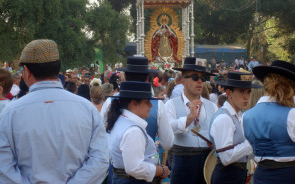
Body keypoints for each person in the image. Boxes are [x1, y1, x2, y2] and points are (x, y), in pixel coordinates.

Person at [0, 39, 109, 183]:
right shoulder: (87, 109)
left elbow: (4, 166)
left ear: (26, 72)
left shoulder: (10, 113)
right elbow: (100, 159)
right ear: (57, 69)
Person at [243, 60, 295, 184]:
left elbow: (252, 151)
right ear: (288, 87)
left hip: (262, 176)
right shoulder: (293, 115)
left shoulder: (246, 116)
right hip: (291, 177)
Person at [165, 57, 217, 184]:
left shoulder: (212, 106)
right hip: (183, 161)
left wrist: (215, 142)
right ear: (183, 80)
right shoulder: (171, 104)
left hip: (207, 161)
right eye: (195, 77)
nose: (200, 81)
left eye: (202, 78)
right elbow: (168, 130)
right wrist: (189, 119)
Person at [106, 81, 170, 184]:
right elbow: (135, 168)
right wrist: (161, 171)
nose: (151, 106)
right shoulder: (133, 130)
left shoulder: (121, 120)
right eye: (147, 102)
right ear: (134, 103)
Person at [209, 72, 261, 184]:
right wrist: (251, 143)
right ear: (229, 93)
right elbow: (226, 157)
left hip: (236, 175)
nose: (246, 97)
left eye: (248, 92)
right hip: (227, 176)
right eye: (241, 91)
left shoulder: (238, 116)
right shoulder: (224, 118)